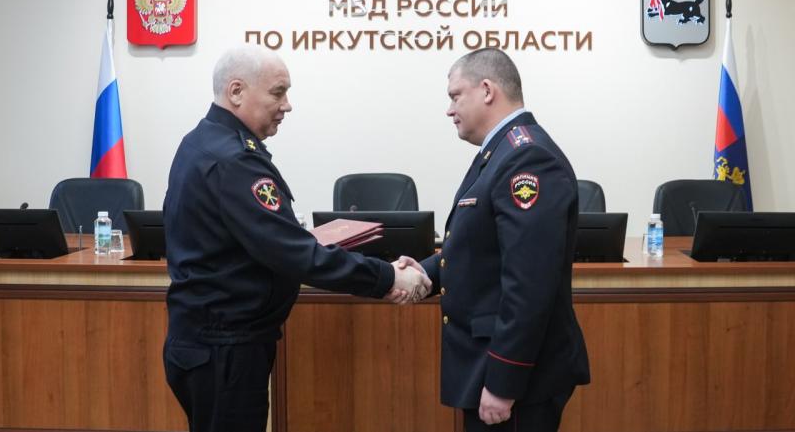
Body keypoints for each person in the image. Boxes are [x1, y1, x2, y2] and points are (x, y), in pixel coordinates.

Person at [162, 45, 430, 432]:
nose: (287, 105)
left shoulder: (202, 142)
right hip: (224, 350)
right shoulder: (234, 160)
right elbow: (294, 254)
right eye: (278, 92)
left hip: (208, 343)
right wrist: (387, 278)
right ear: (236, 91)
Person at [401, 48, 590, 431]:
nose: (449, 110)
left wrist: (505, 381)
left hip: (516, 378)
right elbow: (480, 249)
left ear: (487, 90)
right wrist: (422, 272)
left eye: (455, 96)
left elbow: (529, 283)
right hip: (490, 365)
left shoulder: (527, 158)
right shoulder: (501, 152)